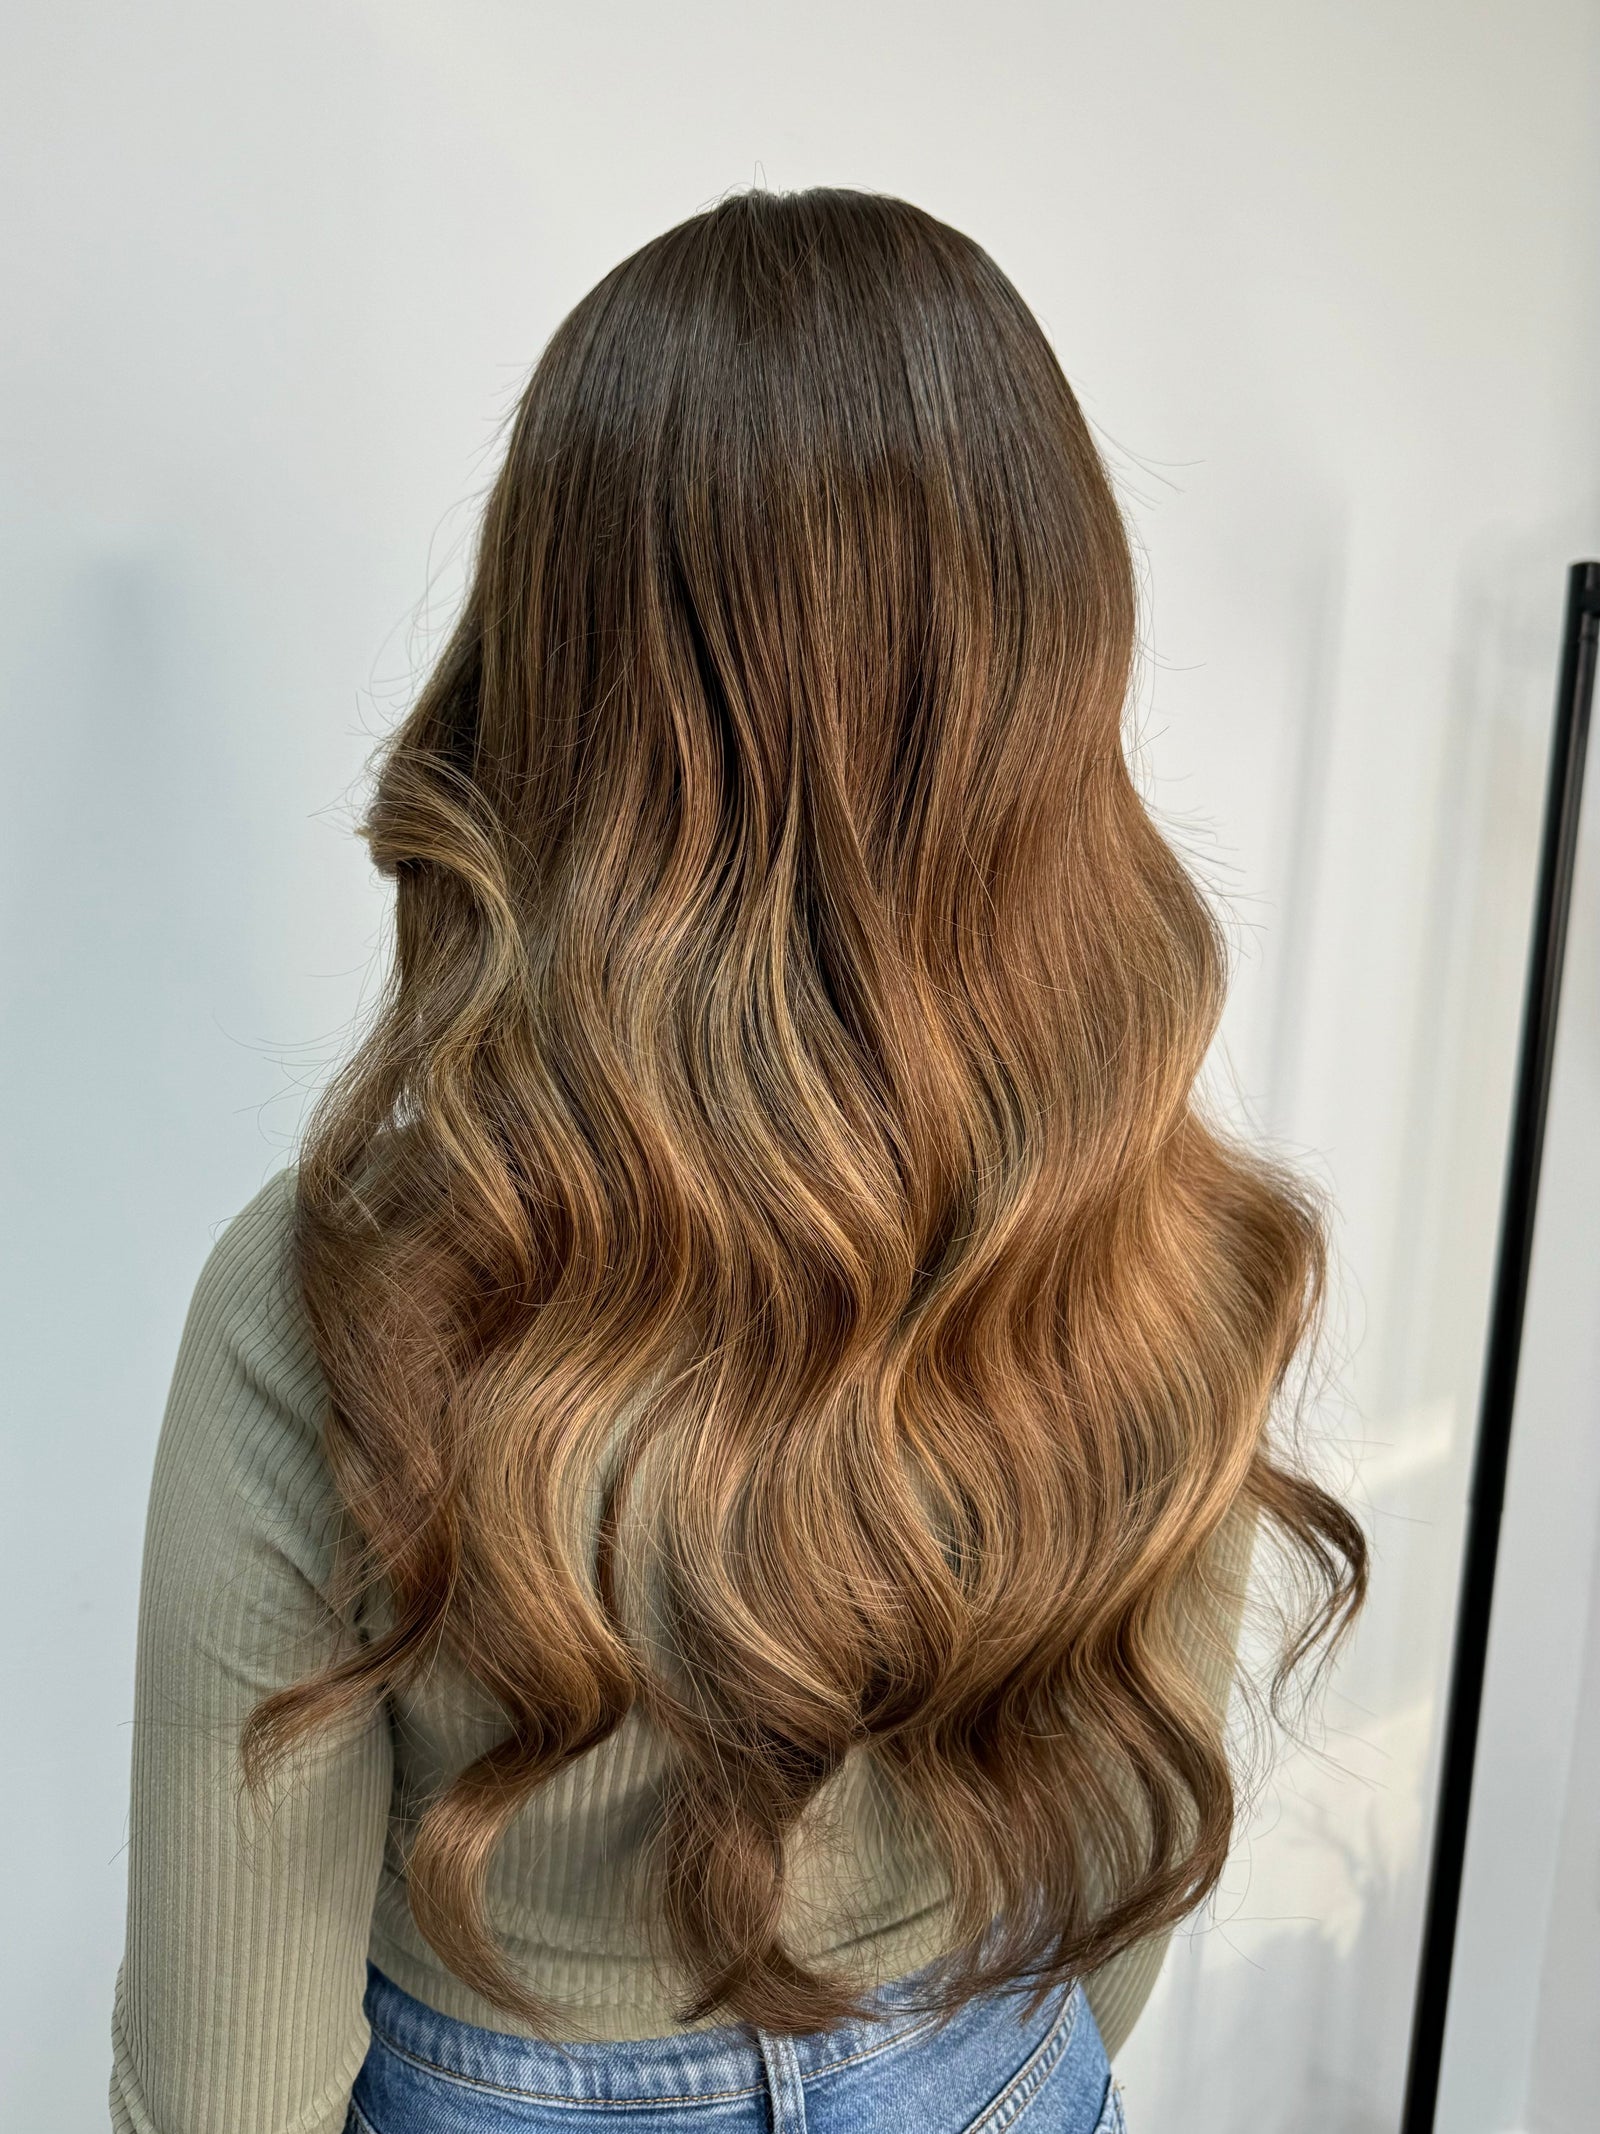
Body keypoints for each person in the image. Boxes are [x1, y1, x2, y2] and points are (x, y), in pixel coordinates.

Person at [109, 186, 1367, 2134]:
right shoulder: (1153, 1223)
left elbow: (222, 2083)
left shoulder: (334, 1287)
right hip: (1001, 2066)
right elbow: (1121, 1875)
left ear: (546, 664)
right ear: (1047, 659)